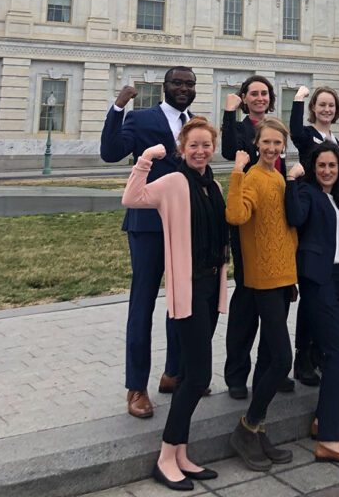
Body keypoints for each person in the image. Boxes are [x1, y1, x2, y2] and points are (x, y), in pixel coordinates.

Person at [122, 117, 227, 490]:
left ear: (213, 148)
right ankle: (166, 455)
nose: (200, 151)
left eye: (206, 145)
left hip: (208, 287)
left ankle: (182, 453)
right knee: (195, 376)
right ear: (182, 148)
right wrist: (146, 159)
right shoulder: (173, 182)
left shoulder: (213, 185)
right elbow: (132, 198)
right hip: (187, 289)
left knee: (195, 372)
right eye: (193, 145)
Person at [100, 66, 196, 418]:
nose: (183, 88)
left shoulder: (195, 123)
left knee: (180, 302)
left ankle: (173, 372)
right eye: (177, 83)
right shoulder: (141, 119)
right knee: (142, 304)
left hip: (182, 224)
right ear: (164, 87)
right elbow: (111, 153)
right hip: (147, 224)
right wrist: (118, 108)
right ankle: (136, 387)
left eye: (189, 84)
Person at [285, 143, 339, 464]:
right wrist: (292, 180)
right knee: (338, 351)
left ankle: (324, 420)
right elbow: (295, 216)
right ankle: (329, 441)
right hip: (320, 280)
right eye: (322, 166)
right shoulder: (306, 193)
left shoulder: (332, 198)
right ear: (312, 167)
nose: (327, 171)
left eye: (332, 166)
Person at [225, 118, 297, 472]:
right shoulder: (253, 177)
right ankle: (247, 427)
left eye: (277, 144)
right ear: (257, 144)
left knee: (269, 359)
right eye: (266, 143)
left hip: (282, 279)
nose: (272, 149)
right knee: (282, 360)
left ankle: (259, 428)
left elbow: (282, 229)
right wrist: (237, 172)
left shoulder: (279, 177)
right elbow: (237, 215)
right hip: (262, 281)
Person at [221, 76, 293, 399]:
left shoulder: (277, 141)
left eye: (265, 93)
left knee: (275, 310)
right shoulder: (242, 131)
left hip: (274, 238)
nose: (260, 98)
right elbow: (227, 152)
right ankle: (237, 374)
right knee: (247, 306)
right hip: (249, 230)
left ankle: (271, 370)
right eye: (254, 93)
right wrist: (228, 113)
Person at [289, 85, 339, 388]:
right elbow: (295, 131)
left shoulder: (335, 139)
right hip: (310, 202)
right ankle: (303, 355)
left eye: (330, 105)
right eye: (321, 104)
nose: (326, 109)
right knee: (313, 287)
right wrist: (298, 99)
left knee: (323, 290)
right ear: (314, 108)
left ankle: (318, 351)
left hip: (331, 202)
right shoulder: (308, 133)